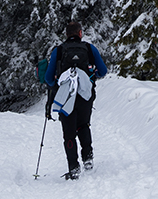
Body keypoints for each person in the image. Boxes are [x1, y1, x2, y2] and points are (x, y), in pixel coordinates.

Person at [44, 21, 109, 179]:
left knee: (69, 133)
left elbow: (48, 78)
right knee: (83, 125)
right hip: (85, 95)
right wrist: (91, 77)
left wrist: (58, 83)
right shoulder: (89, 48)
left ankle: (73, 167)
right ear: (80, 33)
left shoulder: (58, 51)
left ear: (66, 34)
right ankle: (88, 158)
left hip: (65, 97)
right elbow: (103, 71)